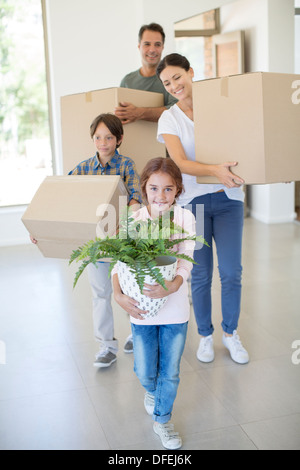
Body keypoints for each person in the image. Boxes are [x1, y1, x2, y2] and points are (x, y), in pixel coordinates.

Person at [156, 53, 249, 365]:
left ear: (190, 72)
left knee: (232, 272)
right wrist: (215, 170)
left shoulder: (218, 107)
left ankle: (231, 334)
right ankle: (206, 336)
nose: (174, 86)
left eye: (178, 77)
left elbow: (245, 144)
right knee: (201, 274)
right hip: (193, 202)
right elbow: (181, 163)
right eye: (167, 83)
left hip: (228, 198)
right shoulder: (169, 118)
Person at [112, 157, 196, 450]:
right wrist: (118, 295)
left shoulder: (185, 218)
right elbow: (118, 266)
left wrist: (174, 284)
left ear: (178, 190)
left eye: (168, 189)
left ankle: (163, 420)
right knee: (145, 370)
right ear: (144, 188)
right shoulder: (133, 221)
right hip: (141, 308)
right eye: (154, 188)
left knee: (170, 371)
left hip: (175, 309)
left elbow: (188, 257)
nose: (161, 196)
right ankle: (152, 391)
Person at [66, 114, 142, 367]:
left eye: (108, 137)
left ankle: (136, 333)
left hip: (123, 239)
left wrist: (130, 213)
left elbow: (135, 196)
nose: (103, 142)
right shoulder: (83, 168)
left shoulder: (126, 165)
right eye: (98, 137)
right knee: (100, 293)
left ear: (119, 139)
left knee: (132, 287)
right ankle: (106, 346)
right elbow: (63, 195)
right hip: (97, 243)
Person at [115, 23, 177, 124]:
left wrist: (140, 113)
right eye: (147, 44)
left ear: (162, 47)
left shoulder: (171, 79)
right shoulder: (127, 81)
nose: (152, 50)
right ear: (139, 46)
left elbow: (176, 112)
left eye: (157, 44)